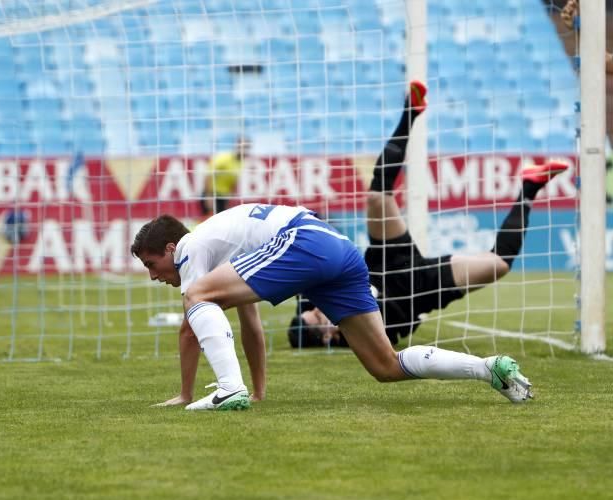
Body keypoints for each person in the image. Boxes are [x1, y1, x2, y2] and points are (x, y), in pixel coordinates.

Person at [131, 94, 534, 411]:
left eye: (152, 264)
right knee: (385, 366)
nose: (153, 274)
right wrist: (258, 392)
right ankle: (487, 369)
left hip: (303, 241)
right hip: (338, 251)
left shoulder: (190, 247)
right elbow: (251, 327)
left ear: (170, 248)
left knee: (197, 298)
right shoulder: (224, 256)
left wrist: (187, 394)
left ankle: (226, 390)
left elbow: (190, 327)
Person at [288, 82, 570, 349]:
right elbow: (395, 326)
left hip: (384, 263)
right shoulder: (363, 338)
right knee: (498, 265)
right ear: (327, 337)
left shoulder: (312, 298)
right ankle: (531, 186)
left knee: (377, 198)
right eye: (315, 319)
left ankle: (411, 110)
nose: (314, 310)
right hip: (420, 290)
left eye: (309, 312)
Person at [200, 136, 250, 216]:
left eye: (246, 147)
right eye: (242, 147)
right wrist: (208, 197)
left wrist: (229, 199)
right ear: (237, 146)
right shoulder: (223, 158)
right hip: (213, 195)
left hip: (223, 197)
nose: (244, 150)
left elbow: (233, 181)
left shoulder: (240, 162)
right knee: (208, 221)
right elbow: (209, 175)